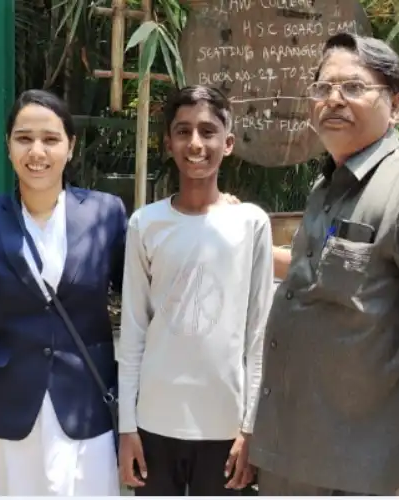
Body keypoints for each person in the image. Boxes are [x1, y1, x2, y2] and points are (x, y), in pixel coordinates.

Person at [250, 33, 399, 496]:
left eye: (353, 87)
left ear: (394, 105)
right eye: (323, 88)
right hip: (289, 459)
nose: (333, 99)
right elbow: (326, 281)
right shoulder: (326, 188)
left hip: (360, 473)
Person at [0, 89, 126, 496]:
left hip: (83, 407)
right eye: (24, 138)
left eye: (51, 139)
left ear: (70, 147)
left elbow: (143, 296)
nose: (36, 151)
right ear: (8, 146)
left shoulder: (106, 213)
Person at [117, 85, 275, 496]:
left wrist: (250, 427)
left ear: (229, 142)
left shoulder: (251, 224)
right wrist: (127, 427)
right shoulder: (145, 224)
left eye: (208, 131)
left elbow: (258, 335)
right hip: (154, 422)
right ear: (168, 142)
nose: (196, 143)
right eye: (183, 131)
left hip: (225, 425)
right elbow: (133, 331)